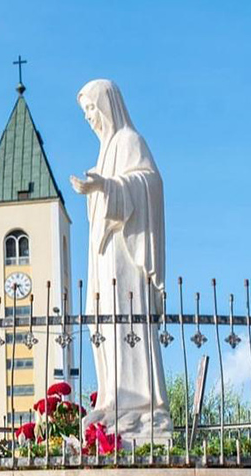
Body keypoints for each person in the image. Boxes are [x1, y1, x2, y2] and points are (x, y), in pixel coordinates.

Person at [69, 79, 173, 442]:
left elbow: (150, 183)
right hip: (104, 255)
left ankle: (139, 403)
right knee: (105, 322)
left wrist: (106, 187)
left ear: (108, 106)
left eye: (92, 110)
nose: (89, 119)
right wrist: (96, 189)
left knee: (126, 320)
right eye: (85, 114)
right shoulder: (104, 151)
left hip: (127, 257)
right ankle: (113, 395)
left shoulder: (130, 141)